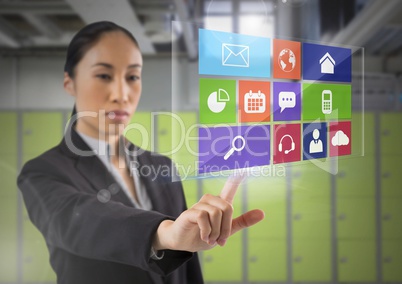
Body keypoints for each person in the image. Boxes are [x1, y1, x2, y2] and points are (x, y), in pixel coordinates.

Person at [17, 21, 265, 284]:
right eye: (104, 75)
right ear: (70, 82)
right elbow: (80, 220)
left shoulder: (162, 166)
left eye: (132, 76)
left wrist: (186, 237)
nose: (122, 94)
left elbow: (188, 268)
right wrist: (163, 234)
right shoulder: (42, 172)